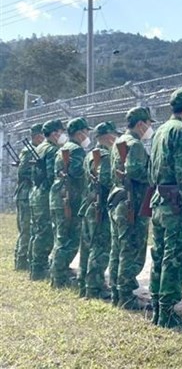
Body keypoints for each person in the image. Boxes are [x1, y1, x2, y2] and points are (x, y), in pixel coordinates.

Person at [148, 87, 182, 329]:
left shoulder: (160, 131)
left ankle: (158, 309)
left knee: (159, 255)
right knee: (174, 259)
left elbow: (152, 169)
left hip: (159, 202)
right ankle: (167, 315)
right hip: (176, 206)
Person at [109, 107, 154, 309]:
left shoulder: (118, 142)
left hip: (119, 201)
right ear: (140, 124)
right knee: (131, 250)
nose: (150, 127)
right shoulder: (134, 144)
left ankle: (117, 293)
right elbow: (135, 171)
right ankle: (126, 297)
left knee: (119, 249)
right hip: (132, 204)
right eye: (148, 123)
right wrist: (153, 175)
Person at [78, 121, 121, 299]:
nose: (116, 139)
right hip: (99, 207)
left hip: (91, 205)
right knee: (100, 246)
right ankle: (94, 287)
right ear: (107, 136)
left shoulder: (91, 154)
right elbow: (105, 180)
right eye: (114, 135)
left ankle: (85, 283)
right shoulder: (103, 155)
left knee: (89, 245)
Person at [49, 117, 91, 288]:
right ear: (80, 133)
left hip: (59, 197)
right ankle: (59, 277)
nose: (88, 135)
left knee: (60, 237)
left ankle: (57, 273)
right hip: (70, 199)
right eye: (87, 131)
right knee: (69, 239)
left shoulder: (63, 148)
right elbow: (78, 173)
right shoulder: (77, 150)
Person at [29, 119, 66, 281]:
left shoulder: (40, 147)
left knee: (38, 231)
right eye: (60, 131)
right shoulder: (51, 150)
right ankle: (39, 269)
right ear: (54, 133)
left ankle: (36, 266)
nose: (61, 135)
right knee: (46, 233)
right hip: (45, 195)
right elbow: (52, 176)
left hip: (36, 193)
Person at [14, 123, 44, 270]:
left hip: (28, 194)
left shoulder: (35, 150)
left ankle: (25, 259)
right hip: (25, 194)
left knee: (30, 229)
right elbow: (23, 172)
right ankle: (21, 262)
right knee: (26, 229)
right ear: (38, 136)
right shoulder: (29, 151)